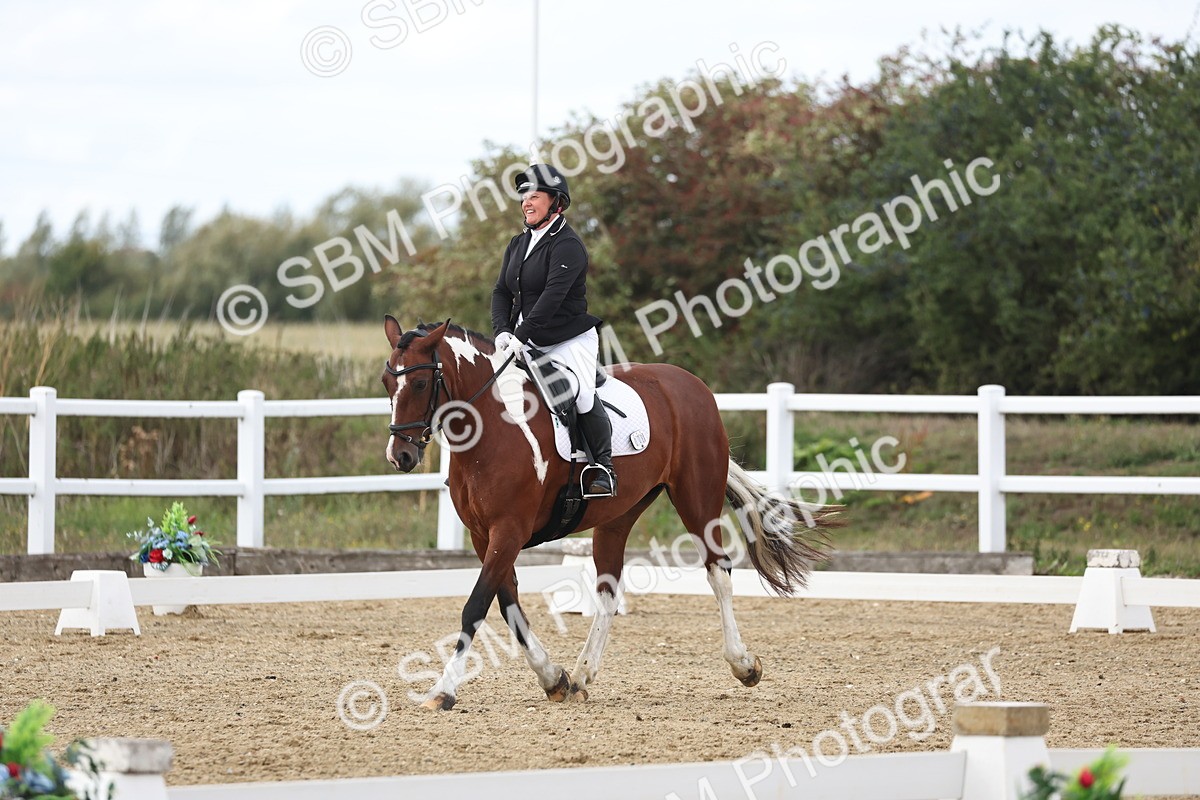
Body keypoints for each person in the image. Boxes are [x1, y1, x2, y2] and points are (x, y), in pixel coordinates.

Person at [491, 164, 616, 497]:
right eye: (524, 197)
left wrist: (521, 334)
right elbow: (501, 291)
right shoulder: (518, 244)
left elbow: (551, 297)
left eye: (535, 196)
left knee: (579, 392)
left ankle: (603, 467)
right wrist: (502, 330)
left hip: (567, 339)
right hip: (522, 338)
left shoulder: (568, 246)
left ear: (556, 202)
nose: (527, 203)